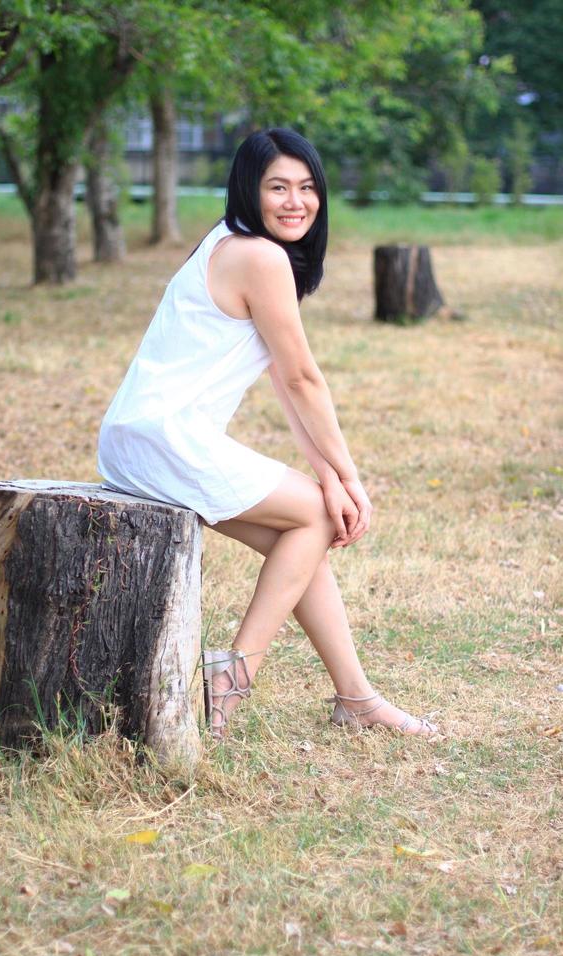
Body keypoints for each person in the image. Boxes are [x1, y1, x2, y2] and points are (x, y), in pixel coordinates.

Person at [98, 127, 438, 741]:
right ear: (248, 191)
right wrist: (349, 480)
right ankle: (232, 677)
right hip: (165, 439)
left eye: (307, 188)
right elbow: (306, 379)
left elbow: (285, 381)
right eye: (277, 187)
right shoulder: (260, 255)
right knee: (315, 516)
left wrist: (329, 475)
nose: (295, 202)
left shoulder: (230, 244)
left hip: (139, 439)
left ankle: (356, 698)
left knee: (305, 536)